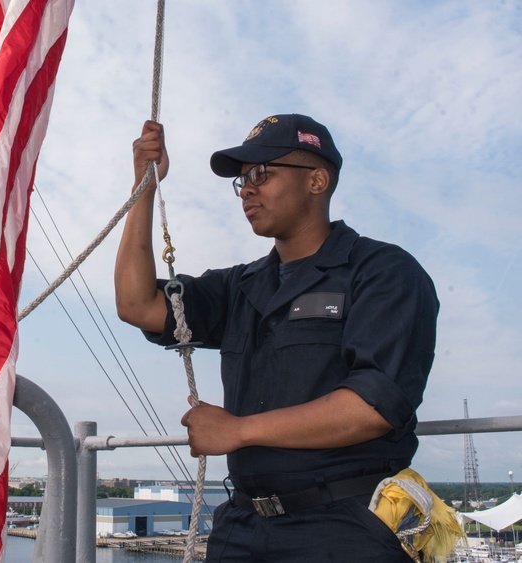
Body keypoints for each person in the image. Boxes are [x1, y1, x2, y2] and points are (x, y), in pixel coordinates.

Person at [115, 114, 439, 562]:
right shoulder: (241, 286)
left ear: (317, 180)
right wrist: (144, 186)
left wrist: (238, 430)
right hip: (243, 526)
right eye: (243, 179)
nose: (247, 189)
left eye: (262, 174)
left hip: (342, 526)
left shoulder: (383, 273)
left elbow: (373, 408)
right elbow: (137, 306)